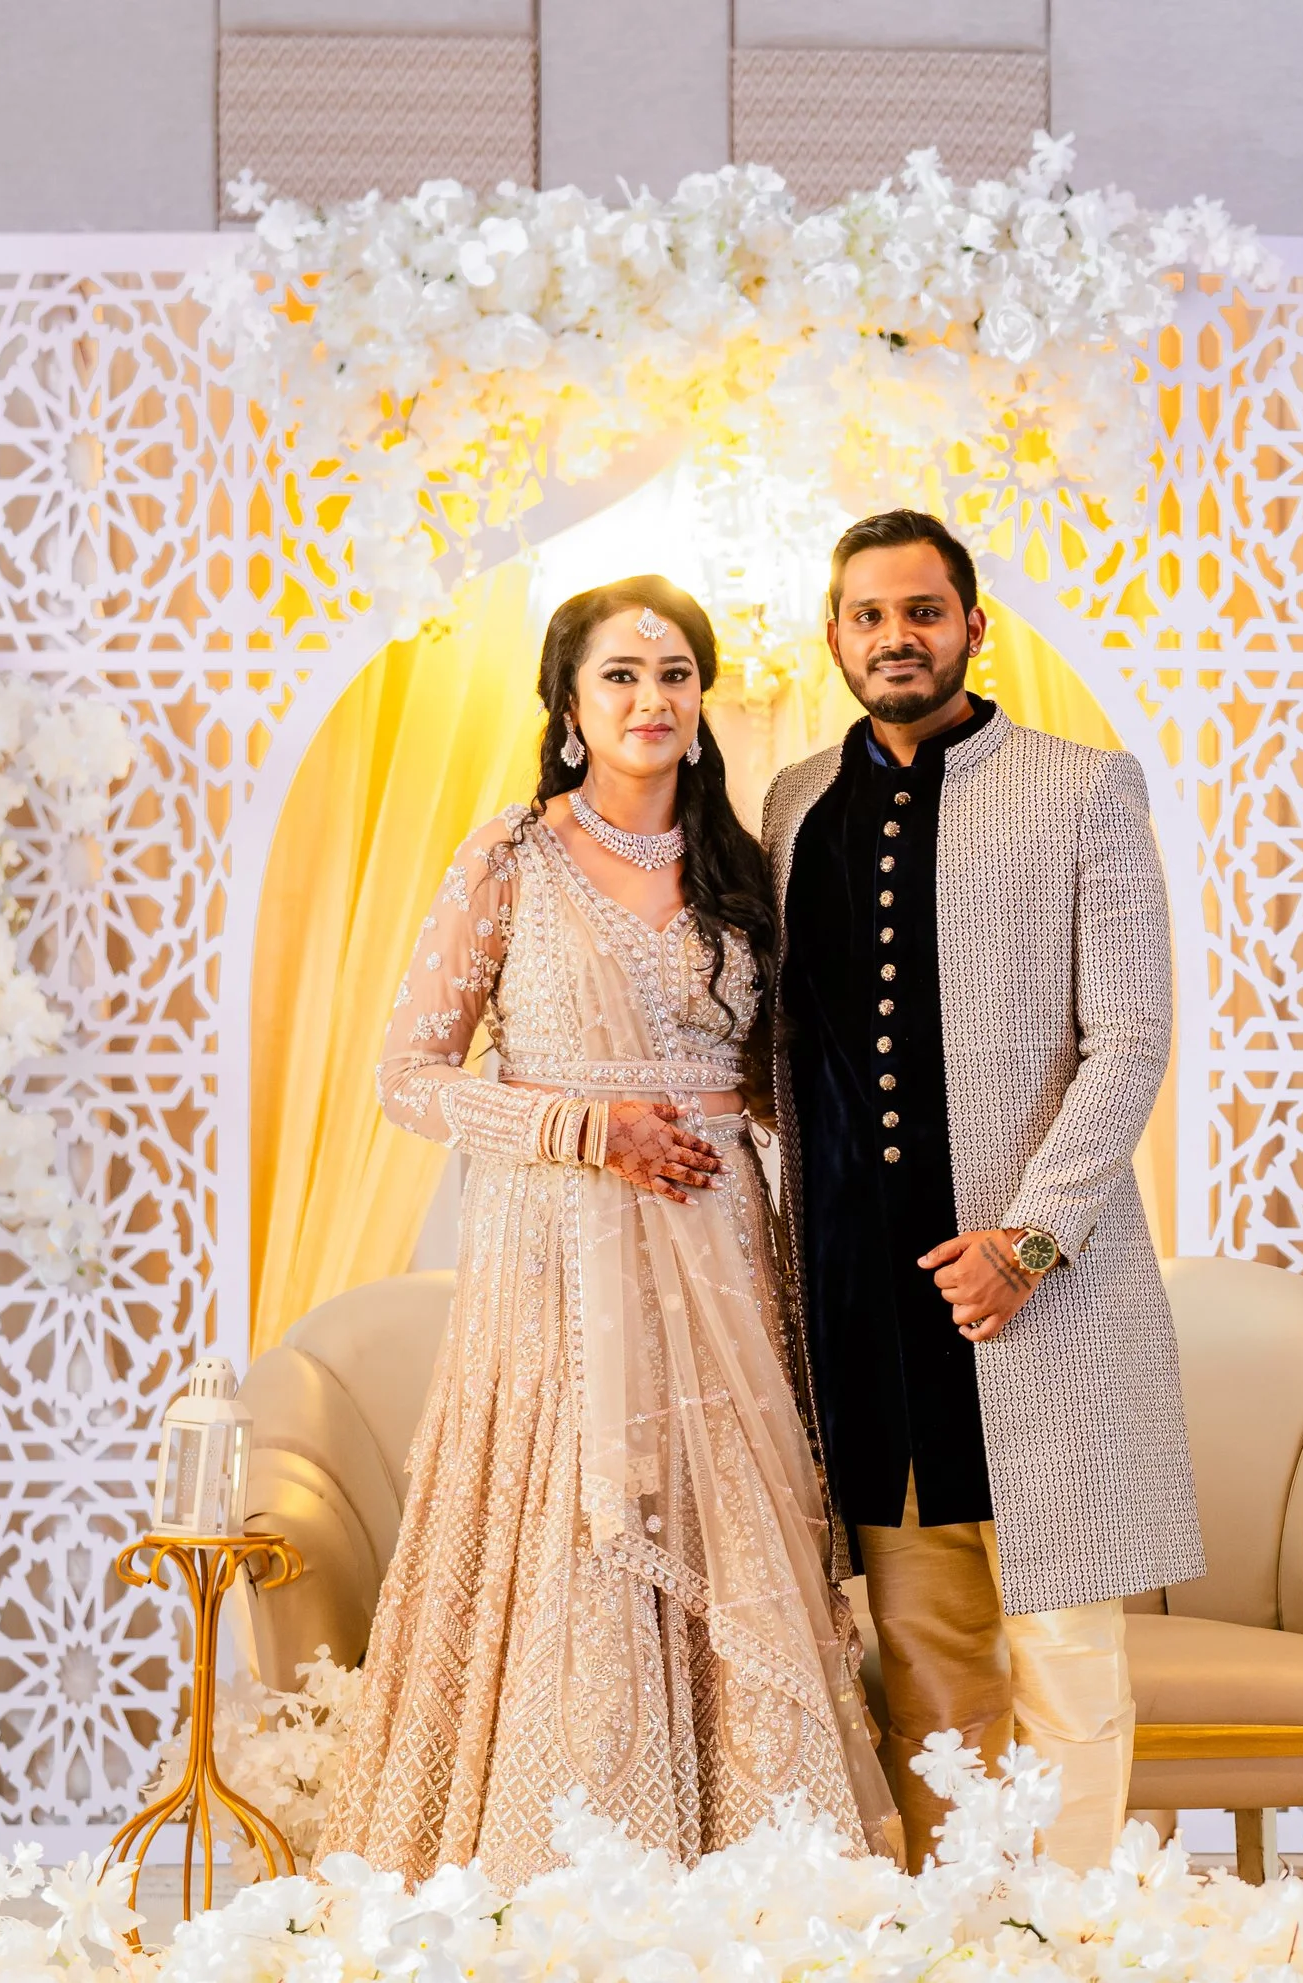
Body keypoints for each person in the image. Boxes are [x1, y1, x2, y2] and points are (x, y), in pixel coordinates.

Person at [329, 575, 898, 1889]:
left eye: (674, 674)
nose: (652, 698)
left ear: (703, 705)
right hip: (554, 1261)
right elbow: (406, 1075)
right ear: (571, 706)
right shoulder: (510, 858)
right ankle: (560, 1874)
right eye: (621, 676)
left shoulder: (750, 867)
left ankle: (760, 1881)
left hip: (718, 1254)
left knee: (739, 1536)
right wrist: (586, 1130)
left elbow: (784, 1078)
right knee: (568, 1538)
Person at [762, 510, 1203, 1871]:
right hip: (863, 1303)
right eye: (869, 615)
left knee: (1064, 1639)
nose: (896, 636)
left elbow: (1130, 1037)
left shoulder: (1081, 786)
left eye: (922, 610)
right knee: (921, 1639)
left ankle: (1067, 1933)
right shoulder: (791, 807)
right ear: (836, 636)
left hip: (1032, 1298)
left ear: (971, 624)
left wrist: (1029, 1238)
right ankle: (950, 1928)